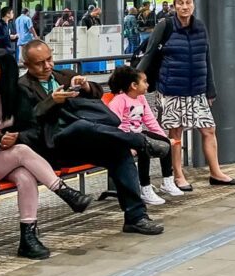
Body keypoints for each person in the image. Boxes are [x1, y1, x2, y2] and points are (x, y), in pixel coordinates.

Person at [0, 49, 93, 259]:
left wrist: (17, 137)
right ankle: (63, 190)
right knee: (21, 151)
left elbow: (33, 128)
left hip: (8, 157)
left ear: (5, 70)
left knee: (25, 176)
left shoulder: (17, 93)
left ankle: (28, 238)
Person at [18, 39, 166, 235]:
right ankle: (140, 141)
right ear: (27, 65)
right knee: (82, 126)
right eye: (40, 63)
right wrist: (51, 101)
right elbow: (26, 122)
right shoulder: (21, 87)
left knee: (119, 152)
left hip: (83, 141)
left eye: (49, 59)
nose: (47, 65)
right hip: (53, 145)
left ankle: (136, 217)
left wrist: (86, 86)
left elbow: (97, 94)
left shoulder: (64, 75)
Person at [137, 0, 235, 190]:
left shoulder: (200, 27)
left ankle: (216, 172)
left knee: (209, 129)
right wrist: (133, 81)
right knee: (176, 133)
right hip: (171, 90)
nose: (185, 6)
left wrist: (210, 89)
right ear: (175, 6)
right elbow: (149, 54)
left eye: (188, 2)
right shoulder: (165, 26)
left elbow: (206, 58)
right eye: (180, 3)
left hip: (197, 90)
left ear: (193, 5)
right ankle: (178, 175)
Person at [106, 65, 180, 205]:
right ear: (134, 85)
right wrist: (126, 145)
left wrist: (163, 137)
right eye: (144, 82)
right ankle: (145, 186)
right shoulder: (119, 100)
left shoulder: (141, 98)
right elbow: (115, 125)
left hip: (138, 135)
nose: (147, 85)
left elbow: (150, 120)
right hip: (125, 139)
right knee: (143, 147)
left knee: (164, 143)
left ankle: (167, 180)